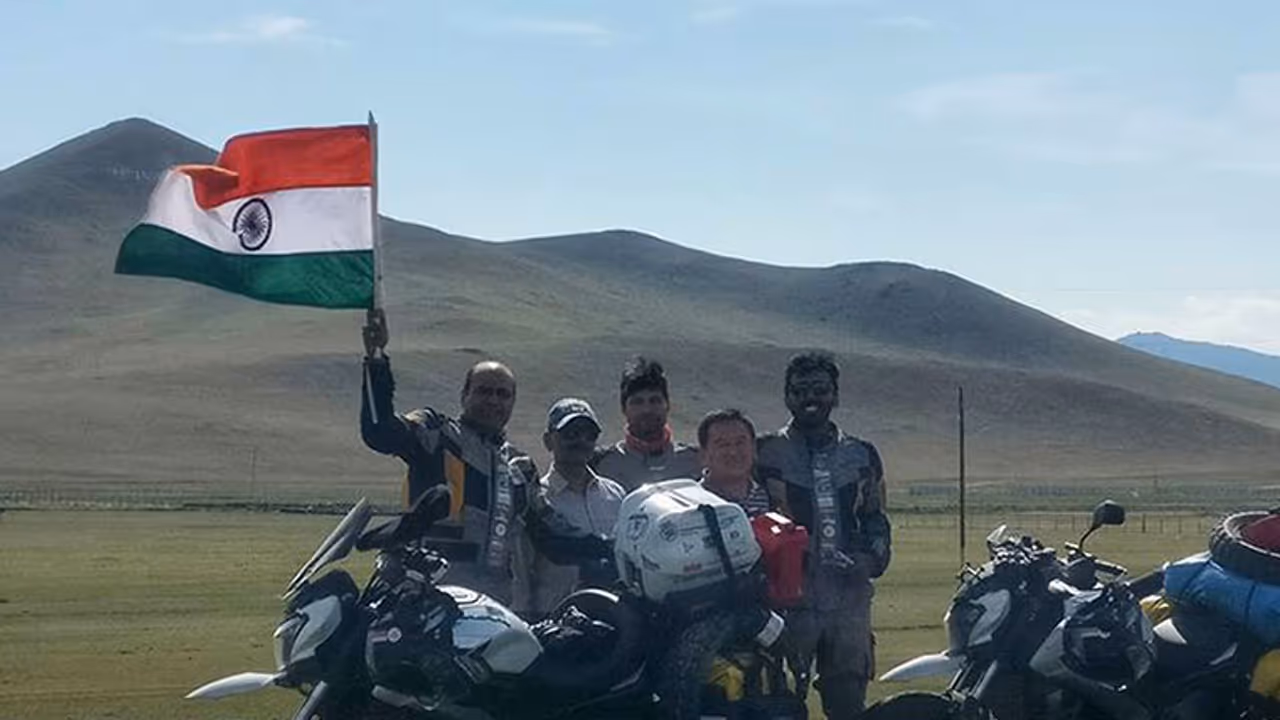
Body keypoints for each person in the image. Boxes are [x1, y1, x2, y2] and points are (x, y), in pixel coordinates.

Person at [358, 309, 535, 605]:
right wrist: (377, 362)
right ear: (464, 395)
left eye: (503, 394)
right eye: (483, 391)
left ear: (513, 402)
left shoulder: (522, 468)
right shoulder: (436, 433)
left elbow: (551, 535)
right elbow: (380, 432)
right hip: (423, 602)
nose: (493, 400)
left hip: (493, 610)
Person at [756, 352, 891, 720]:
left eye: (820, 389)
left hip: (848, 604)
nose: (810, 398)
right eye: (800, 391)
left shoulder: (861, 454)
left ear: (836, 395)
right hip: (785, 603)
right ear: (786, 397)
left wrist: (871, 560)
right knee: (779, 703)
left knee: (848, 704)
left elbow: (876, 520)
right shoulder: (765, 452)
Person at [514, 398, 626, 620]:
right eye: (570, 433)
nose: (581, 441)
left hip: (615, 618)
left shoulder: (616, 495)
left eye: (589, 434)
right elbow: (522, 572)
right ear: (548, 441)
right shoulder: (535, 500)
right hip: (556, 623)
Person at [592, 356, 700, 491]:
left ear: (668, 405)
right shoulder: (599, 464)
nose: (647, 410)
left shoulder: (696, 460)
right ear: (624, 409)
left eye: (654, 401)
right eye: (637, 402)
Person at [696, 408, 776, 517]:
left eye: (740, 442)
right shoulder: (693, 503)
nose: (733, 452)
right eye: (723, 445)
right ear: (704, 454)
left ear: (753, 448)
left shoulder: (773, 497)